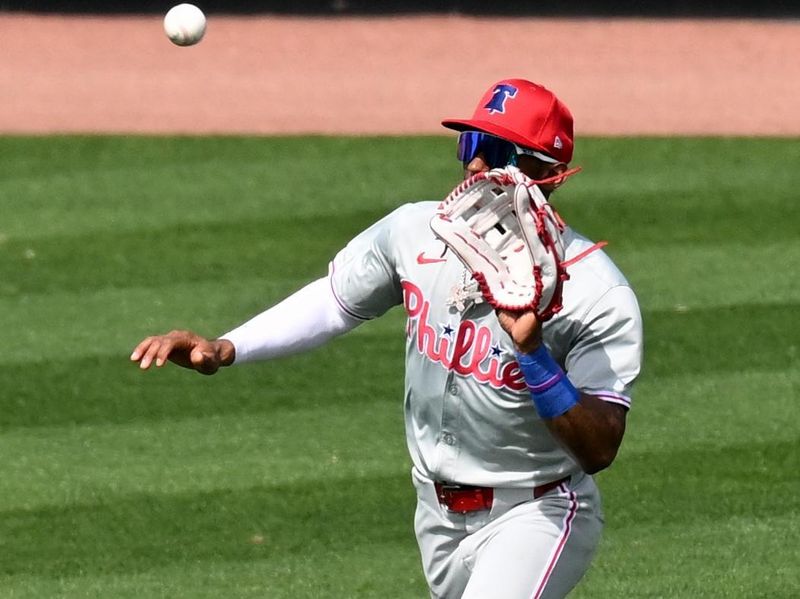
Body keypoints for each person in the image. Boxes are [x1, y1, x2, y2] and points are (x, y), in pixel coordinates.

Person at [131, 78, 643, 599]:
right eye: (469, 145)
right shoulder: (416, 232)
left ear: (548, 174)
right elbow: (333, 302)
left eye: (494, 151)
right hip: (435, 516)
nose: (473, 166)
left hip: (537, 512)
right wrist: (226, 348)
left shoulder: (595, 291)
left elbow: (600, 446)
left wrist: (532, 354)